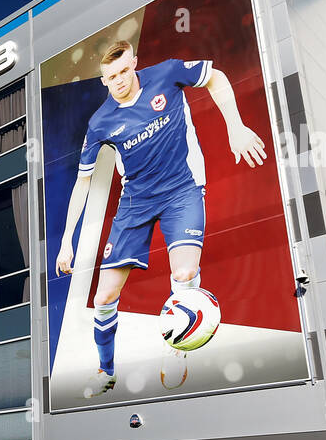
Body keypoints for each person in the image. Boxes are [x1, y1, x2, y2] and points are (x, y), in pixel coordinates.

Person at [53, 40, 266, 393]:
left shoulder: (167, 73)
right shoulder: (101, 122)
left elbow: (216, 77)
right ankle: (106, 371)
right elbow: (83, 182)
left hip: (182, 188)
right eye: (111, 77)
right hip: (135, 202)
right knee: (104, 297)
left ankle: (178, 343)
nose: (119, 80)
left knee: (183, 271)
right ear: (103, 81)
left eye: (124, 71)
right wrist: (66, 241)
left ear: (134, 64)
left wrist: (235, 127)